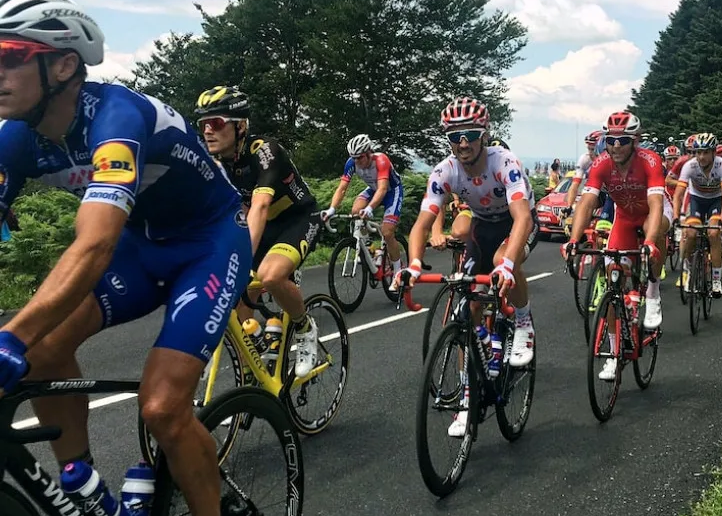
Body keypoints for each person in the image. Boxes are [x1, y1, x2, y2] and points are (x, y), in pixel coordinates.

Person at [0, 0, 249, 516]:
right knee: (43, 350)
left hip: (208, 243)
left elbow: (94, 245)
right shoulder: (15, 140)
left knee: (161, 407)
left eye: (10, 56)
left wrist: (9, 337)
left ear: (63, 66)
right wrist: (22, 342)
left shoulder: (116, 115)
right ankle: (84, 492)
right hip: (142, 244)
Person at [400, 96, 538, 436]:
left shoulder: (504, 162)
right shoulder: (444, 171)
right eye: (455, 137)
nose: (463, 143)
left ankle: (523, 321)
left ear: (484, 135)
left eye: (471, 135)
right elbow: (421, 224)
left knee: (501, 262)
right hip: (482, 226)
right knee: (469, 308)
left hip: (517, 223)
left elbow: (522, 218)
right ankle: (466, 397)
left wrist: (507, 265)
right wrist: (414, 264)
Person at [195, 85, 321, 378]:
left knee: (270, 276)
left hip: (297, 219)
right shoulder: (216, 162)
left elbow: (261, 206)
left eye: (216, 122)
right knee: (236, 296)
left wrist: (239, 261)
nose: (207, 130)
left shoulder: (265, 151)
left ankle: (305, 327)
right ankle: (250, 374)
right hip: (260, 224)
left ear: (240, 126)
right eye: (203, 124)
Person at [563, 111, 670, 380]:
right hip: (624, 217)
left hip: (653, 213)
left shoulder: (650, 160)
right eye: (611, 140)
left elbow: (656, 203)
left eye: (623, 141)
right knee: (613, 280)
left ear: (635, 141)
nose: (616, 146)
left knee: (654, 231)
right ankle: (613, 354)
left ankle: (653, 293)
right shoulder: (600, 164)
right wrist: (574, 240)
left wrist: (649, 243)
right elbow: (587, 202)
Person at [322, 134, 404, 280]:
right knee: (355, 212)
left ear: (369, 153)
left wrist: (370, 208)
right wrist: (332, 209)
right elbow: (342, 188)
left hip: (392, 191)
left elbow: (383, 189)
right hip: (373, 189)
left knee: (387, 233)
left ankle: (398, 272)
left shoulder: (381, 160)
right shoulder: (351, 163)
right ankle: (370, 249)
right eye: (353, 157)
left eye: (359, 157)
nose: (356, 161)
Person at [673, 133, 722, 297]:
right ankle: (689, 270)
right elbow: (678, 194)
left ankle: (716, 280)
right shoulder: (689, 166)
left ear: (714, 152)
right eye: (698, 152)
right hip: (697, 200)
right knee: (690, 233)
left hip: (716, 200)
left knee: (713, 233)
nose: (701, 157)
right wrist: (676, 216)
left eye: (706, 152)